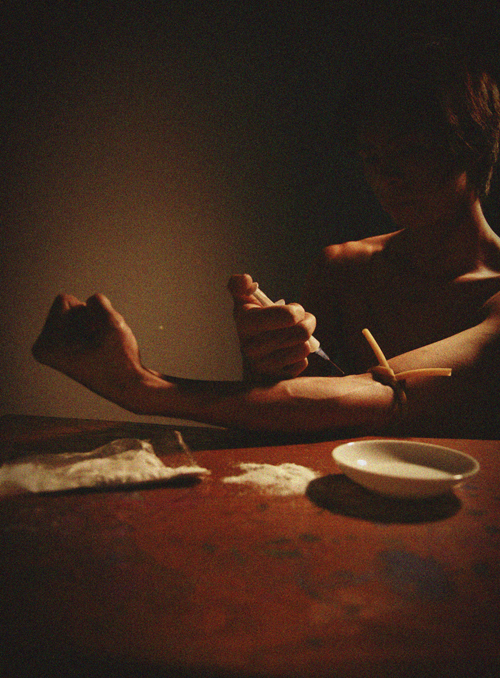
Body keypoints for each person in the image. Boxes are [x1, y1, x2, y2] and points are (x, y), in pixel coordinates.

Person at [32, 39, 500, 437]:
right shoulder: (344, 268)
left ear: (475, 147)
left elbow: (385, 395)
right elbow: (289, 412)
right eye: (372, 156)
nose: (387, 176)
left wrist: (142, 386)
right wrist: (268, 357)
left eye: (412, 151)